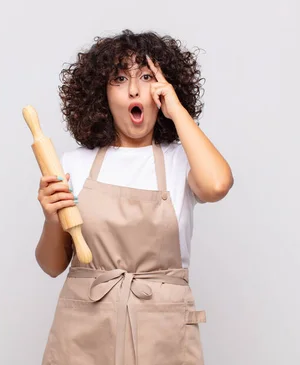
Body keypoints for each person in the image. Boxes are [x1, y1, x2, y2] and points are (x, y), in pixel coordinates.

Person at [34, 29, 233, 365]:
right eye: (120, 78)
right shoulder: (73, 164)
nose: (134, 89)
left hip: (162, 335)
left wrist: (176, 109)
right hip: (83, 336)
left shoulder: (181, 161)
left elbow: (217, 185)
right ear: (102, 94)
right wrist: (52, 219)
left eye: (145, 76)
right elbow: (52, 265)